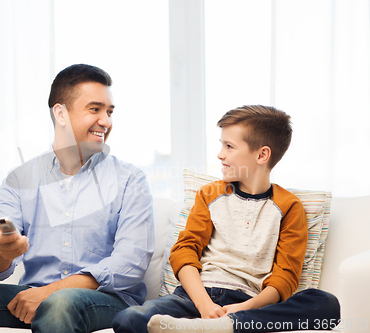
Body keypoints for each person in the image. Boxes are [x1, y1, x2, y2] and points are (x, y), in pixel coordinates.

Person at [112, 105, 340, 333]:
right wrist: (204, 306)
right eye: (221, 145)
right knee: (128, 318)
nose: (220, 154)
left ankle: (223, 327)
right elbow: (184, 251)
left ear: (262, 155)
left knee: (326, 304)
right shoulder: (209, 194)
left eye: (229, 146)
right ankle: (209, 327)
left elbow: (285, 277)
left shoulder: (289, 206)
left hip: (249, 306)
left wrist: (244, 308)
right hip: (195, 297)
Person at [0, 64, 154, 333]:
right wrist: (1, 251)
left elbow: (129, 264)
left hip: (106, 301)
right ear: (60, 113)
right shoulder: (20, 179)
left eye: (109, 112)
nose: (106, 121)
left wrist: (50, 292)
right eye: (95, 109)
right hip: (33, 294)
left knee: (60, 302)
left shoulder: (130, 179)